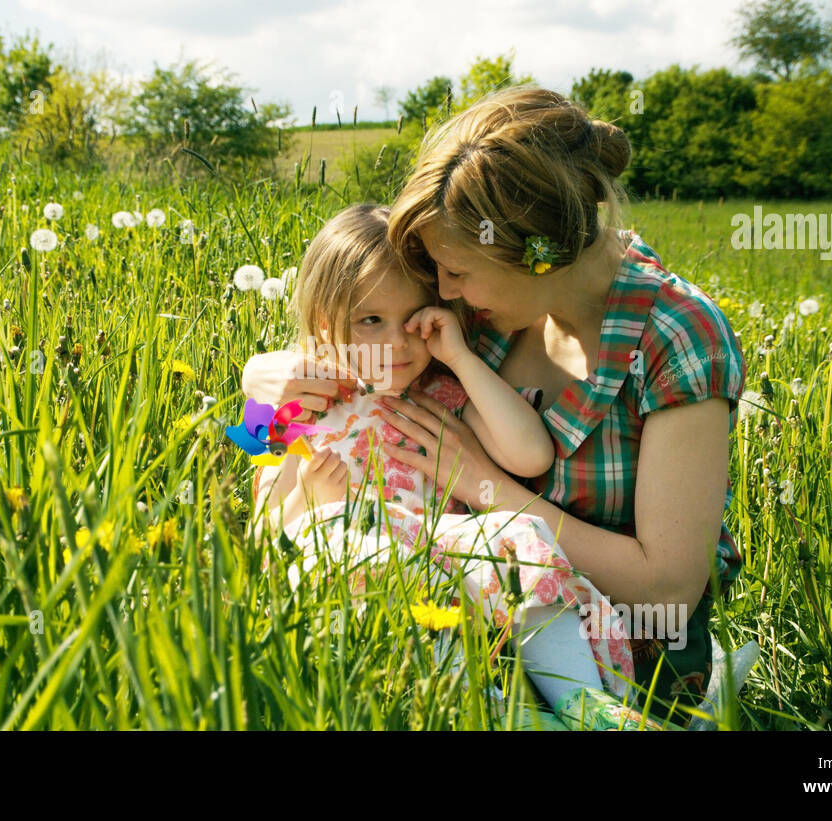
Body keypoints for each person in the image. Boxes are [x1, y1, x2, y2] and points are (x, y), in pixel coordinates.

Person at [241, 85, 746, 719]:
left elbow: (667, 586)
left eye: (455, 271)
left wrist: (482, 484)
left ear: (538, 254)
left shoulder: (676, 334)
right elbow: (347, 350)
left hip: (635, 648)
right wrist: (265, 378)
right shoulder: (480, 315)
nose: (441, 291)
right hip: (462, 611)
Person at [246, 202, 636, 707]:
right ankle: (480, 707)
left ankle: (586, 705)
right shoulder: (303, 412)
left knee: (521, 536)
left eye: (414, 319)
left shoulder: (440, 396)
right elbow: (261, 542)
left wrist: (459, 358)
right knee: (363, 552)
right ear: (325, 323)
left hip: (444, 578)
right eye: (371, 320)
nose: (396, 342)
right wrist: (305, 496)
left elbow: (531, 456)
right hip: (354, 587)